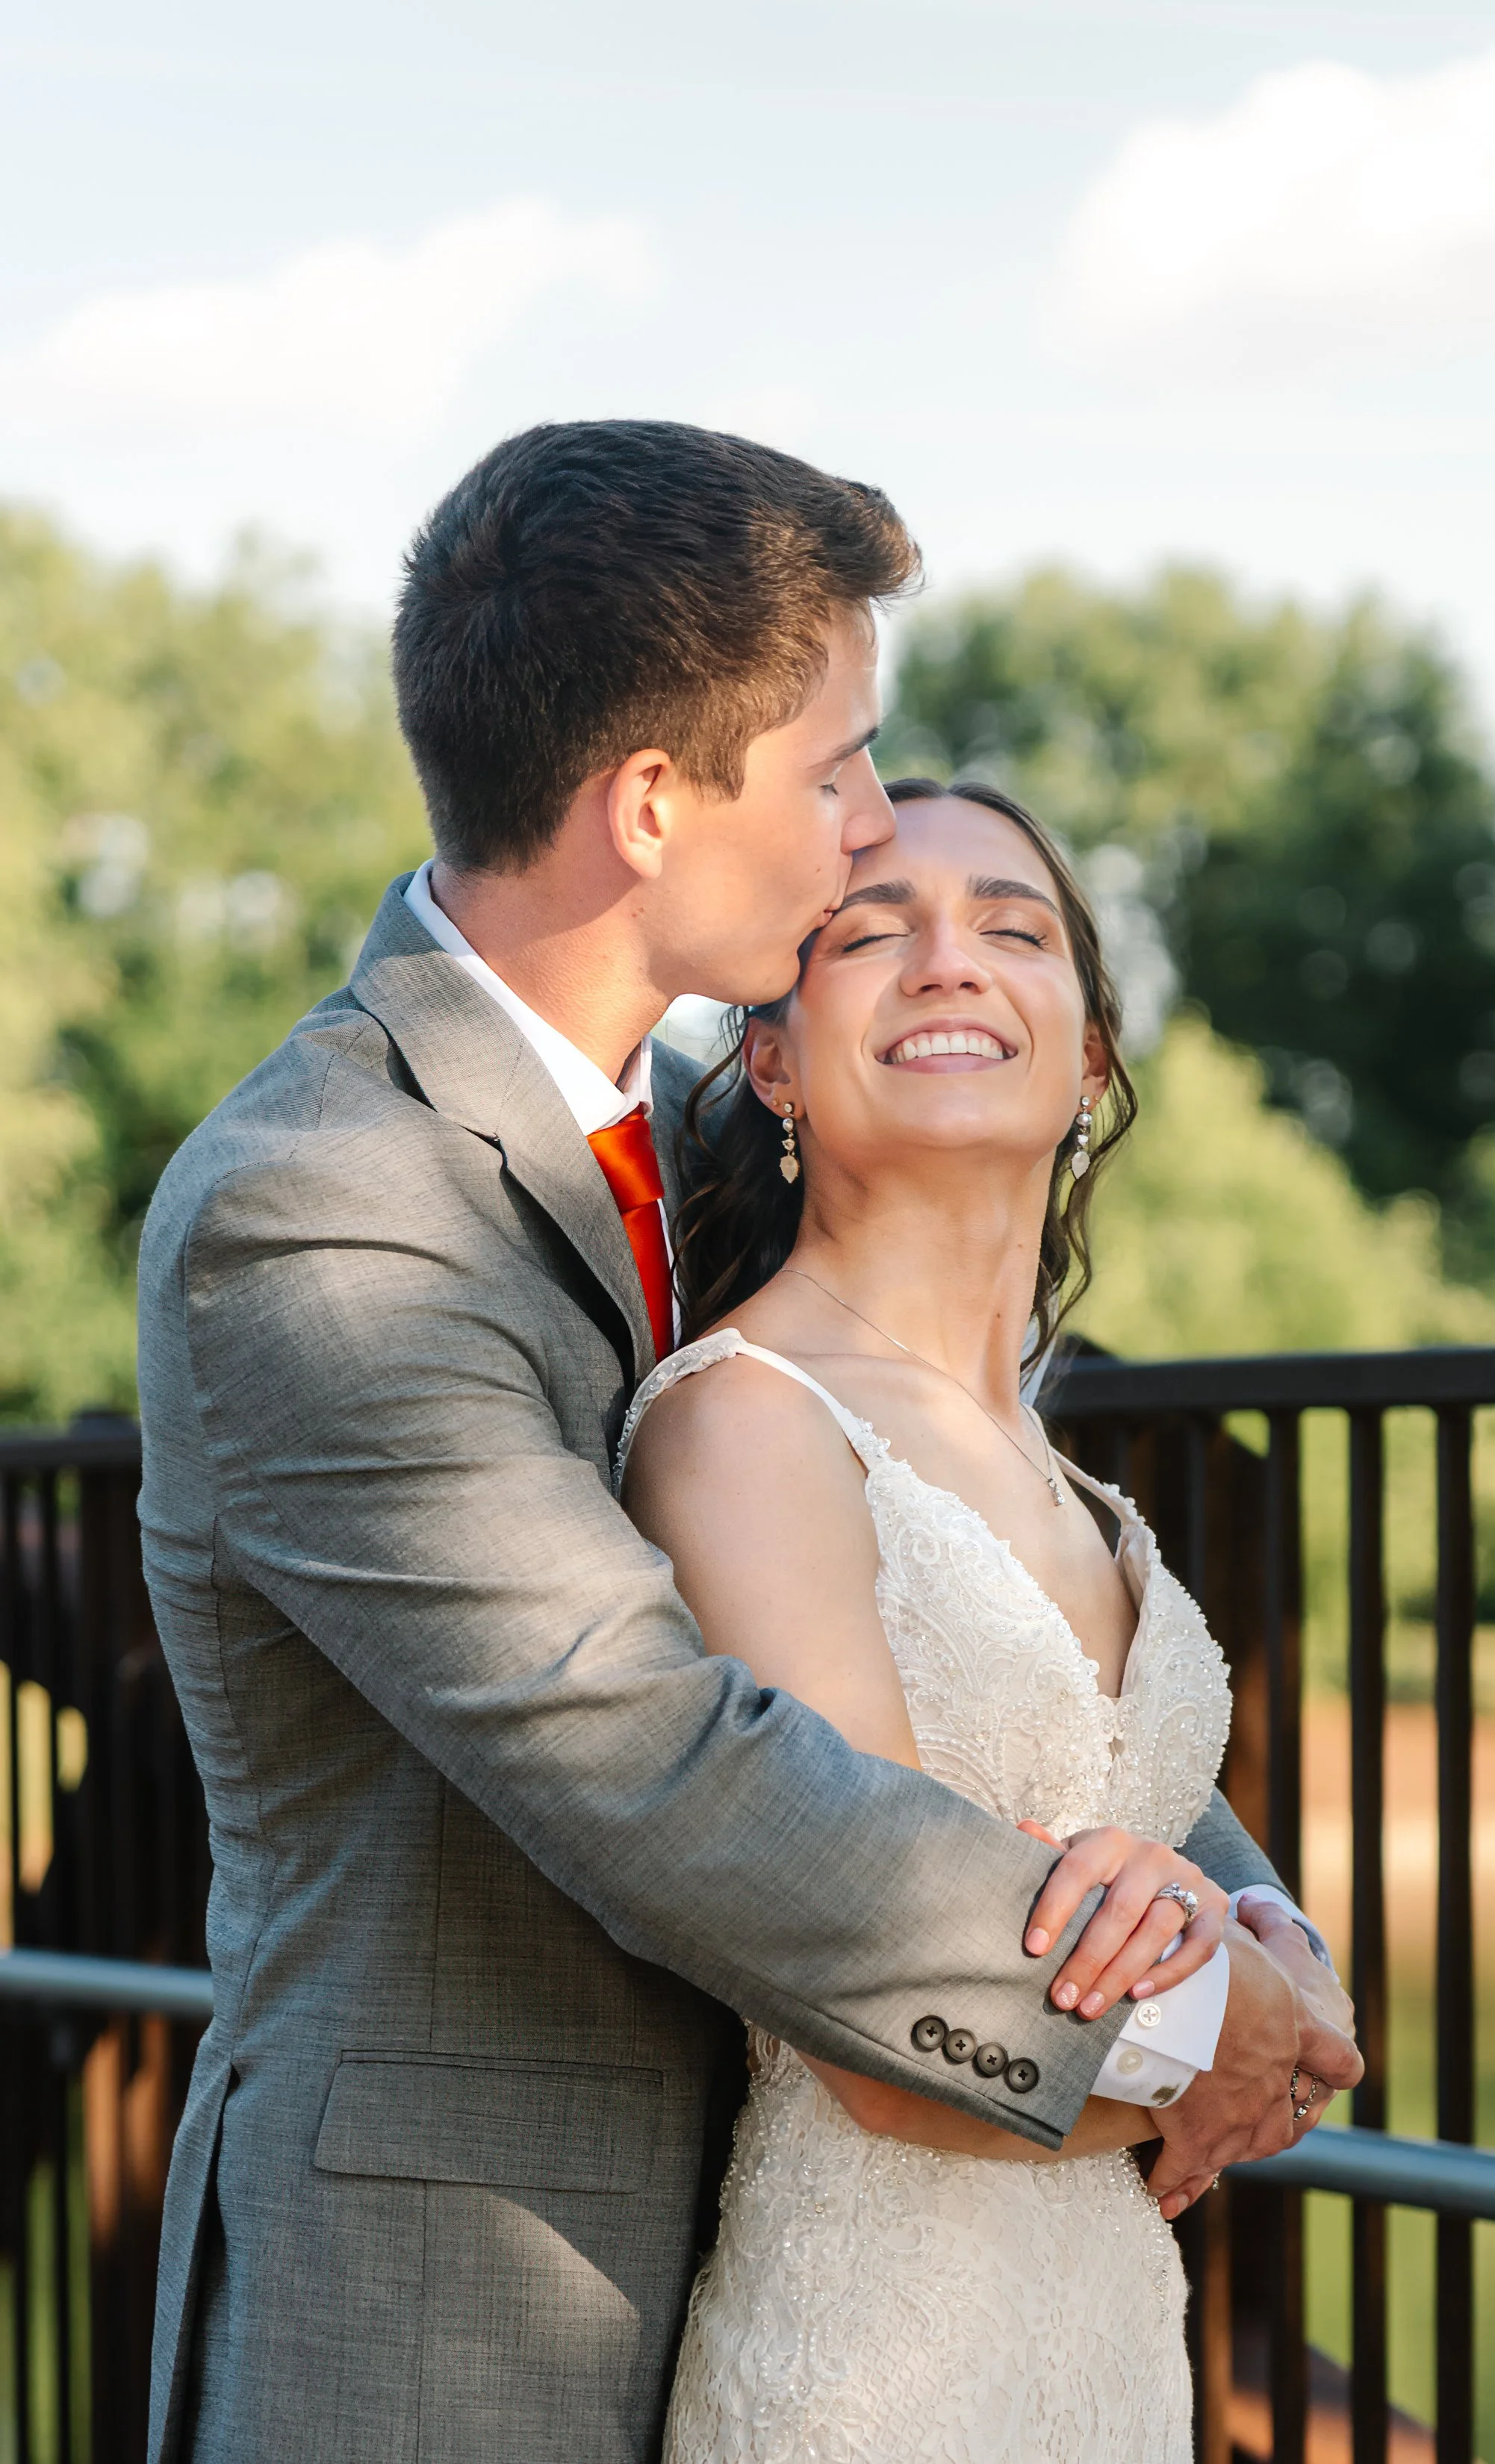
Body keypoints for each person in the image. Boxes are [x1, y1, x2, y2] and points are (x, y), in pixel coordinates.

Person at [136, 422, 1358, 2464]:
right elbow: (663, 1753)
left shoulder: (682, 1163)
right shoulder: (327, 1208)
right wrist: (1177, 2025)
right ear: (647, 806)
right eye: (837, 764)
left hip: (816, 2262)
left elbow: (995, 1674)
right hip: (473, 2332)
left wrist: (1258, 1926)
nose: (870, 818)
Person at [618, 774, 1349, 2460]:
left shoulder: (1055, 1472)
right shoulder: (746, 1422)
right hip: (867, 2380)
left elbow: (1134, 1844)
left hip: (1100, 2356)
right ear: (775, 1060)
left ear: (1088, 1053)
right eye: (871, 934)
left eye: (1011, 931)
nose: (949, 963)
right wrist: (1225, 2045)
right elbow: (885, 2028)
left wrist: (1270, 1941)